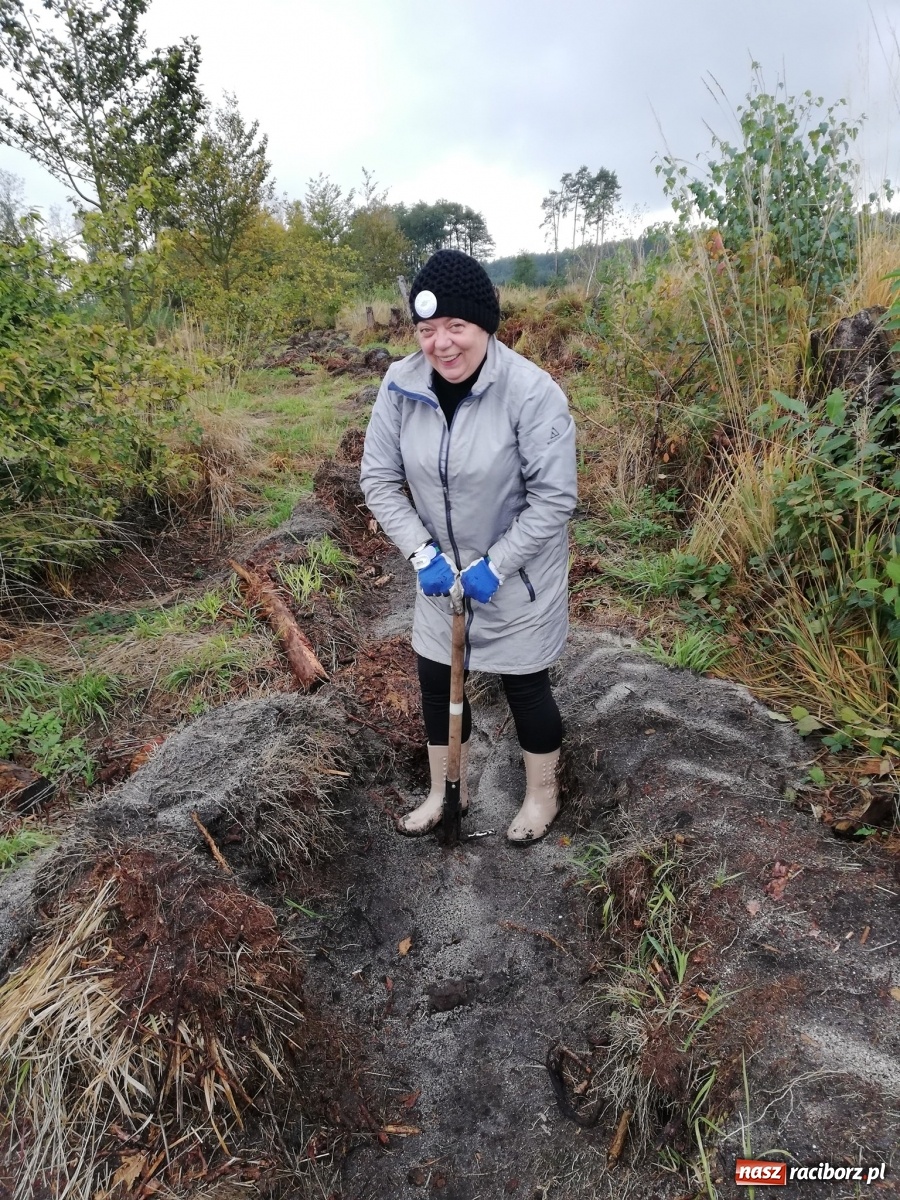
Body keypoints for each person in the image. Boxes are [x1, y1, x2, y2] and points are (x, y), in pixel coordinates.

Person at [359, 249, 577, 844]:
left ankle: (542, 796)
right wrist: (421, 552)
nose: (442, 345)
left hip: (517, 576)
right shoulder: (400, 387)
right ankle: (442, 792)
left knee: (523, 685)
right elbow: (377, 478)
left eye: (456, 327)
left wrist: (497, 564)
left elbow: (554, 499)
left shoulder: (532, 394)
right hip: (441, 574)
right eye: (427, 331)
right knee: (436, 678)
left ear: (485, 324)